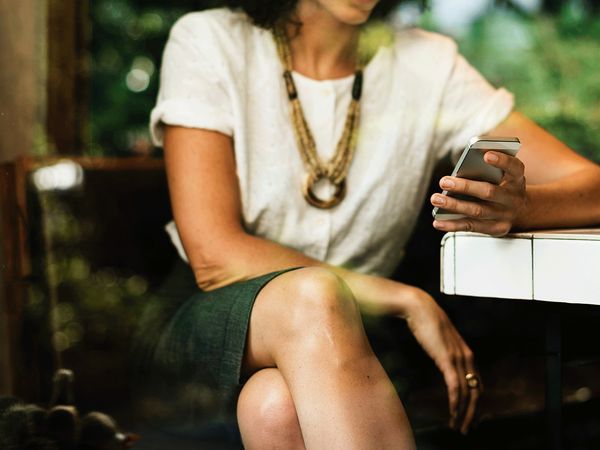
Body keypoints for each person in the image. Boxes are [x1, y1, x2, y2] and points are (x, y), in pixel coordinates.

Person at [147, 0, 600, 448]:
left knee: (274, 407)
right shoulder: (209, 40)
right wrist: (404, 298)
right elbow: (214, 254)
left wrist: (518, 209)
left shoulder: (428, 65)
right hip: (206, 323)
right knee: (315, 295)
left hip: (354, 343)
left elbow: (592, 187)